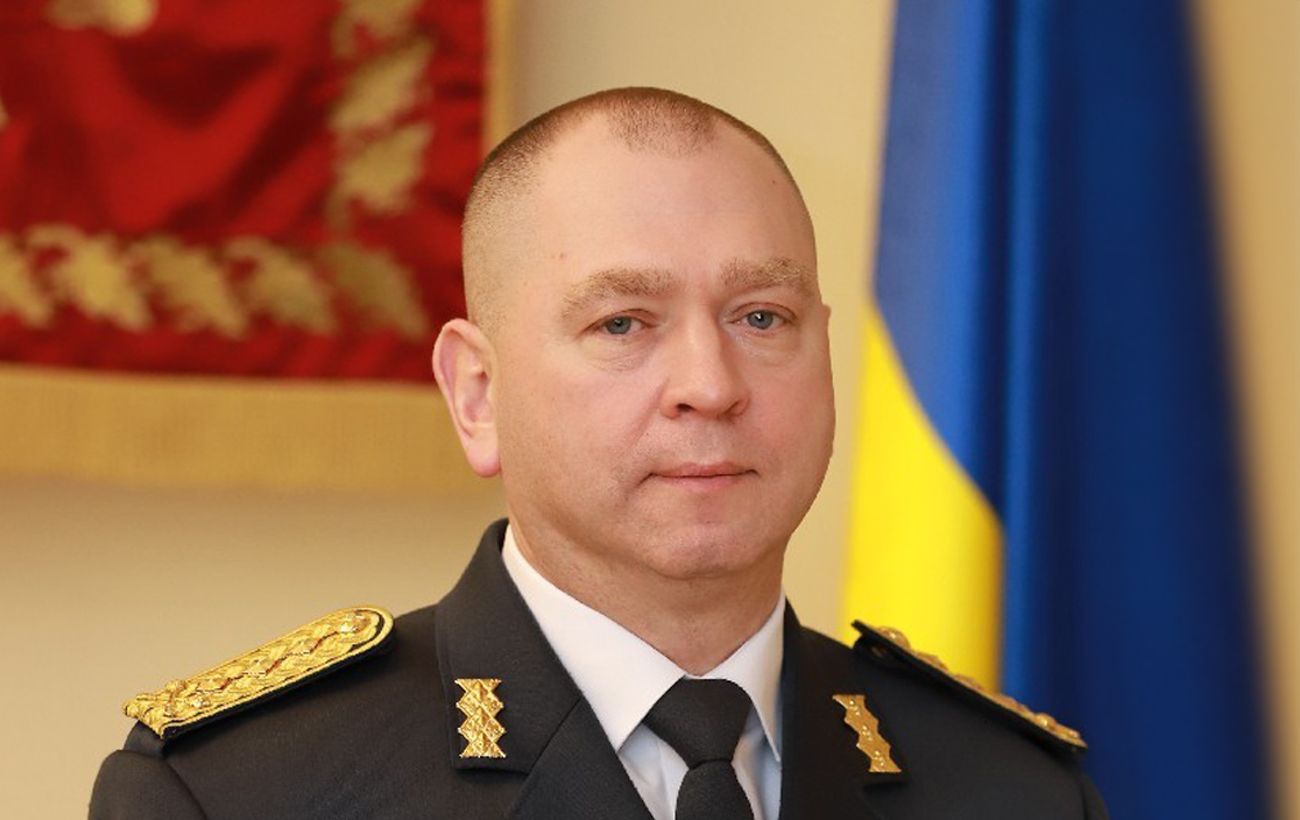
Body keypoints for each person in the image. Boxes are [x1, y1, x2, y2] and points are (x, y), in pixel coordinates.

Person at [89, 87, 1108, 819]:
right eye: (622, 323)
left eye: (762, 316)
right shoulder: (240, 792)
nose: (710, 383)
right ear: (477, 395)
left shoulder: (1012, 789)